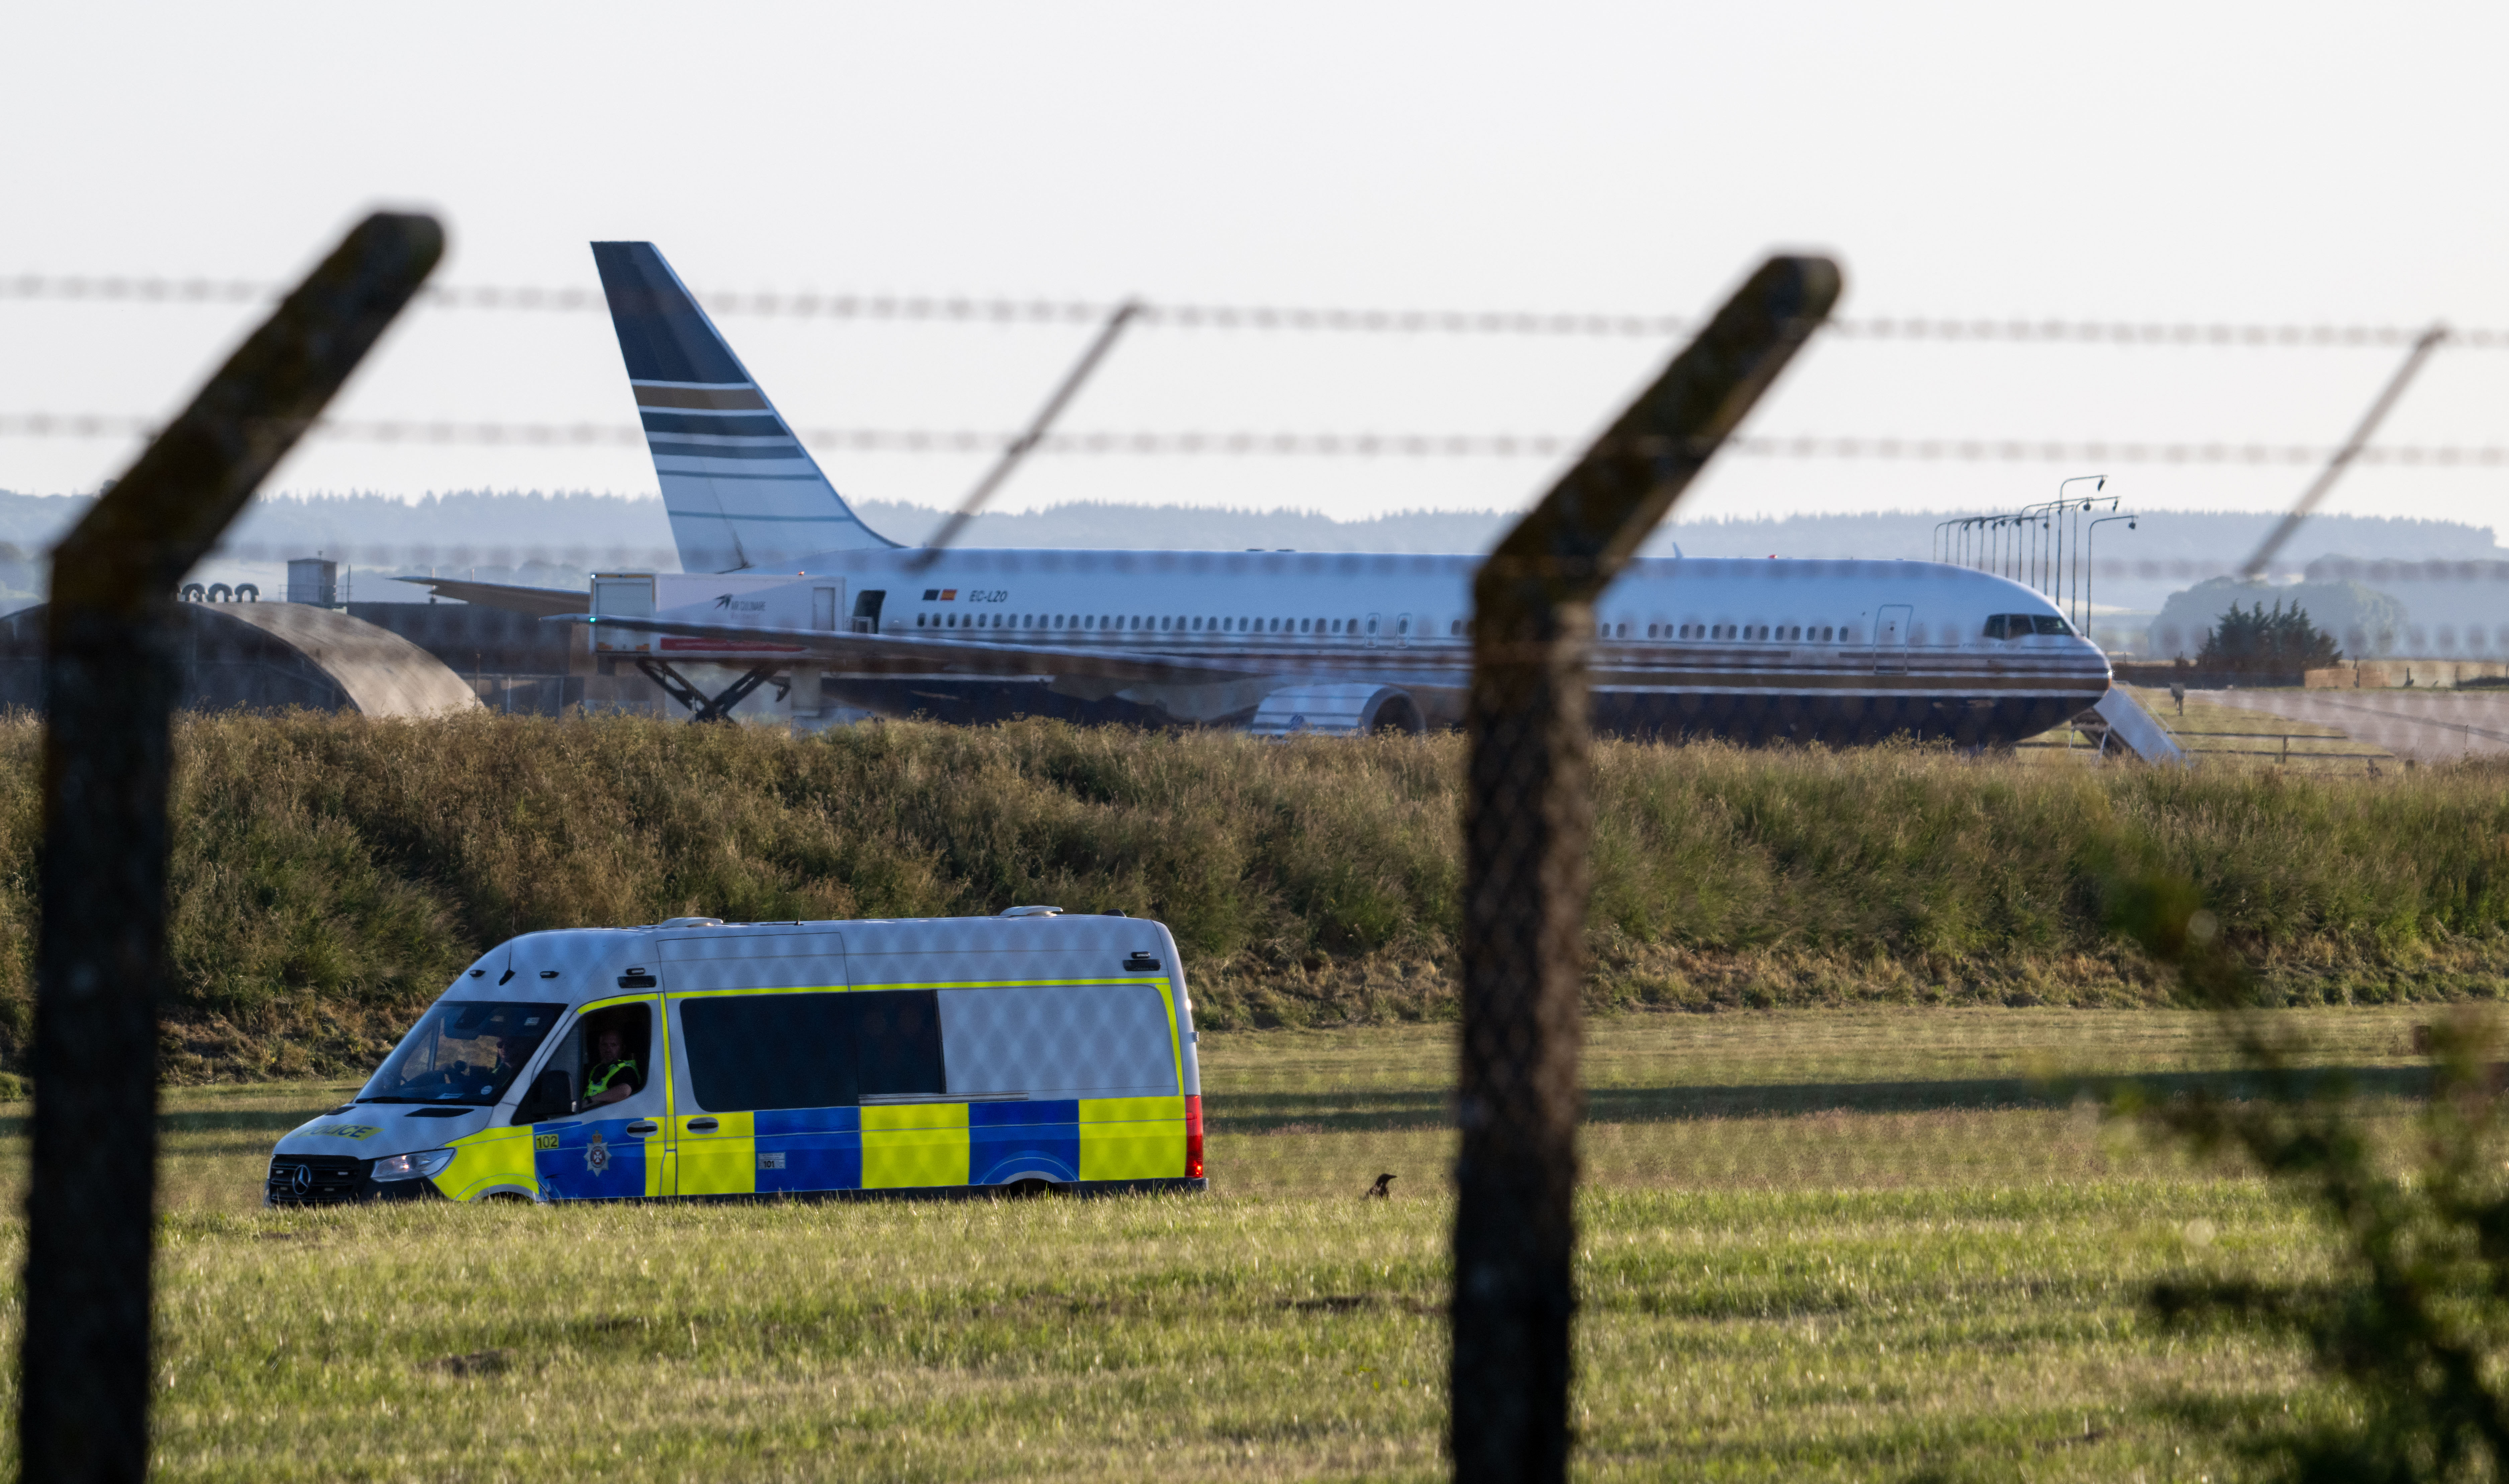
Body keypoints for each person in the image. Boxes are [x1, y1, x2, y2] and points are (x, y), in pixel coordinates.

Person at [585, 1024, 642, 1107]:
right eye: (604, 1045)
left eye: (614, 1045)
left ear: (623, 1049)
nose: (608, 1049)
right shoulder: (594, 1069)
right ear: (599, 1047)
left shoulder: (626, 1069)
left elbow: (625, 1091)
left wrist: (590, 1100)